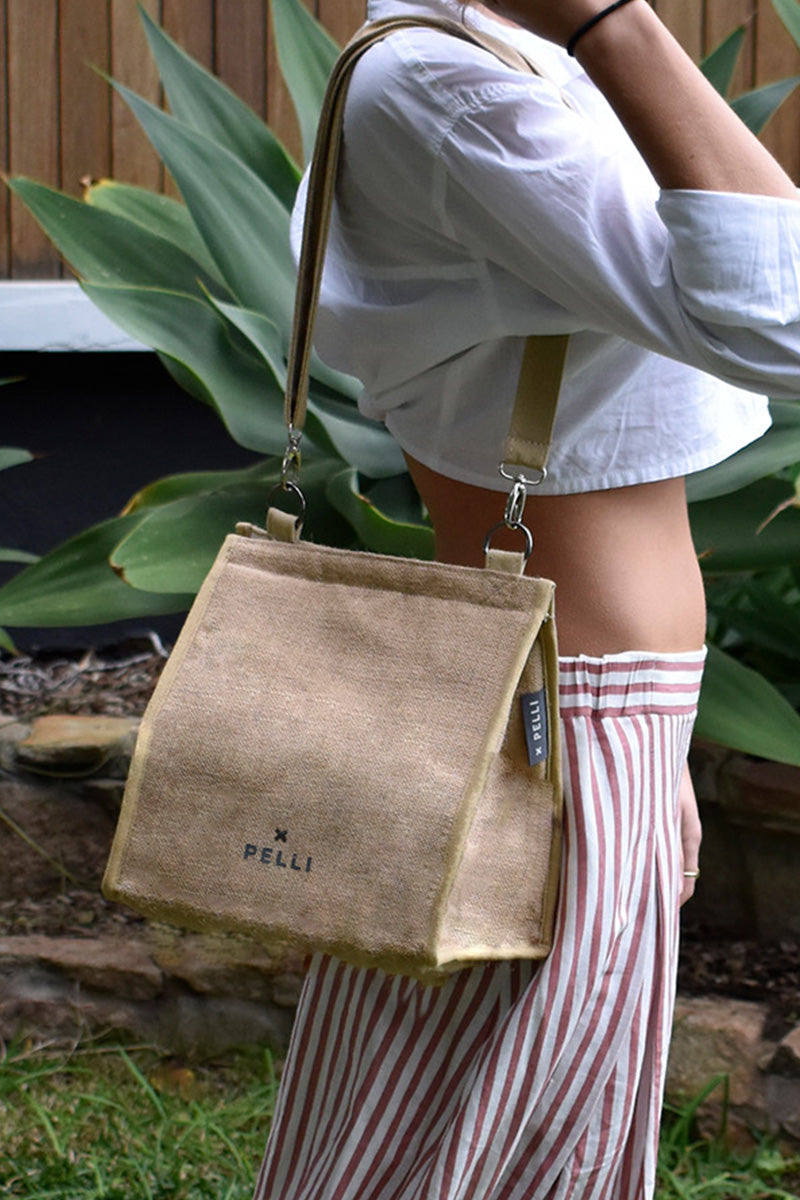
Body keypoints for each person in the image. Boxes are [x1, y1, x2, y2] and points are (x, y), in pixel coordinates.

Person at [253, 0, 800, 1196]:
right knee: (481, 1144)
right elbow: (784, 317)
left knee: (475, 1125)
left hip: (593, 709)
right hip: (559, 720)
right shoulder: (456, 91)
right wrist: (620, 27)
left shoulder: (479, 64)